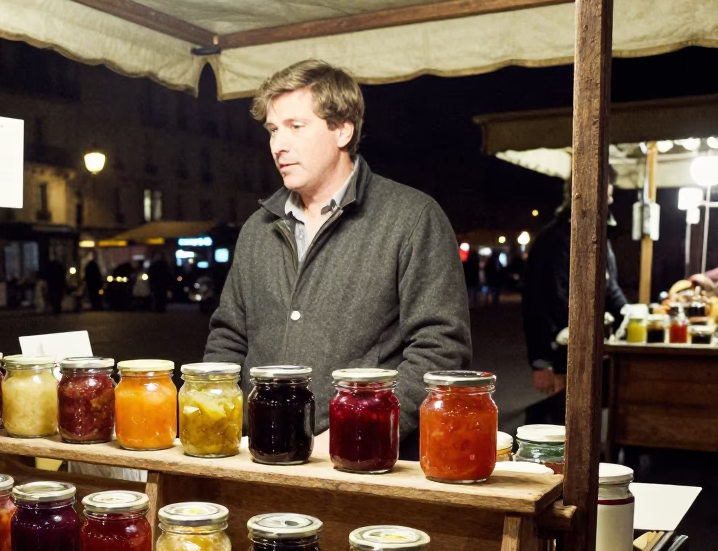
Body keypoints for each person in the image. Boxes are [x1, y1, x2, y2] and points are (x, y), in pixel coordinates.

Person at [204, 60, 471, 447]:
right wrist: (217, 418)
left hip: (367, 466)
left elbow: (441, 350)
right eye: (273, 130)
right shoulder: (257, 230)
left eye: (296, 127)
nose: (279, 145)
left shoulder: (412, 218)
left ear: (342, 130)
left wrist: (361, 431)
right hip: (257, 455)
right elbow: (228, 337)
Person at [521, 175, 627, 425]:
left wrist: (632, 315)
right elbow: (536, 303)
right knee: (563, 426)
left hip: (591, 348)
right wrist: (540, 361)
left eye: (610, 198)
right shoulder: (553, 240)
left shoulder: (599, 236)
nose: (609, 204)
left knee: (584, 421)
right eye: (605, 198)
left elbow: (609, 287)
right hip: (561, 352)